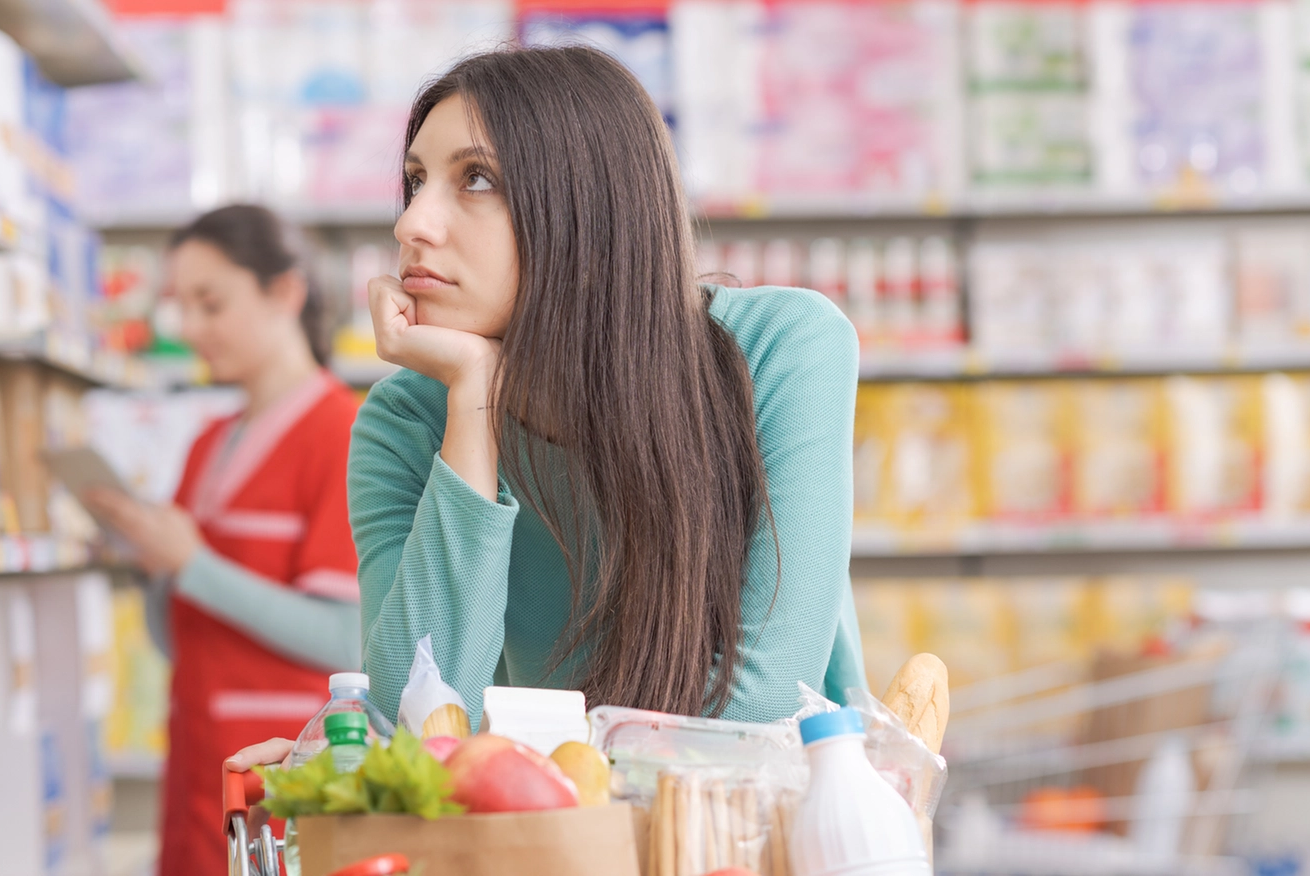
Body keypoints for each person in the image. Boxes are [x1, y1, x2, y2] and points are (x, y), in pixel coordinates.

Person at [229, 45, 863, 771]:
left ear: (588, 206)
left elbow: (761, 712)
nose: (412, 226)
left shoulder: (781, 348)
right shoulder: (405, 419)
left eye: (474, 179)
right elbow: (413, 728)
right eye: (414, 181)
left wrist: (498, 761)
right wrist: (474, 397)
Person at [87, 205, 362, 876]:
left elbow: (346, 639)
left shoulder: (344, 435)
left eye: (211, 304)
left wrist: (194, 565)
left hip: (281, 780)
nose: (190, 329)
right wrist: (152, 564)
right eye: (181, 307)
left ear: (286, 294)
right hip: (194, 766)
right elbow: (176, 635)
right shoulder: (208, 442)